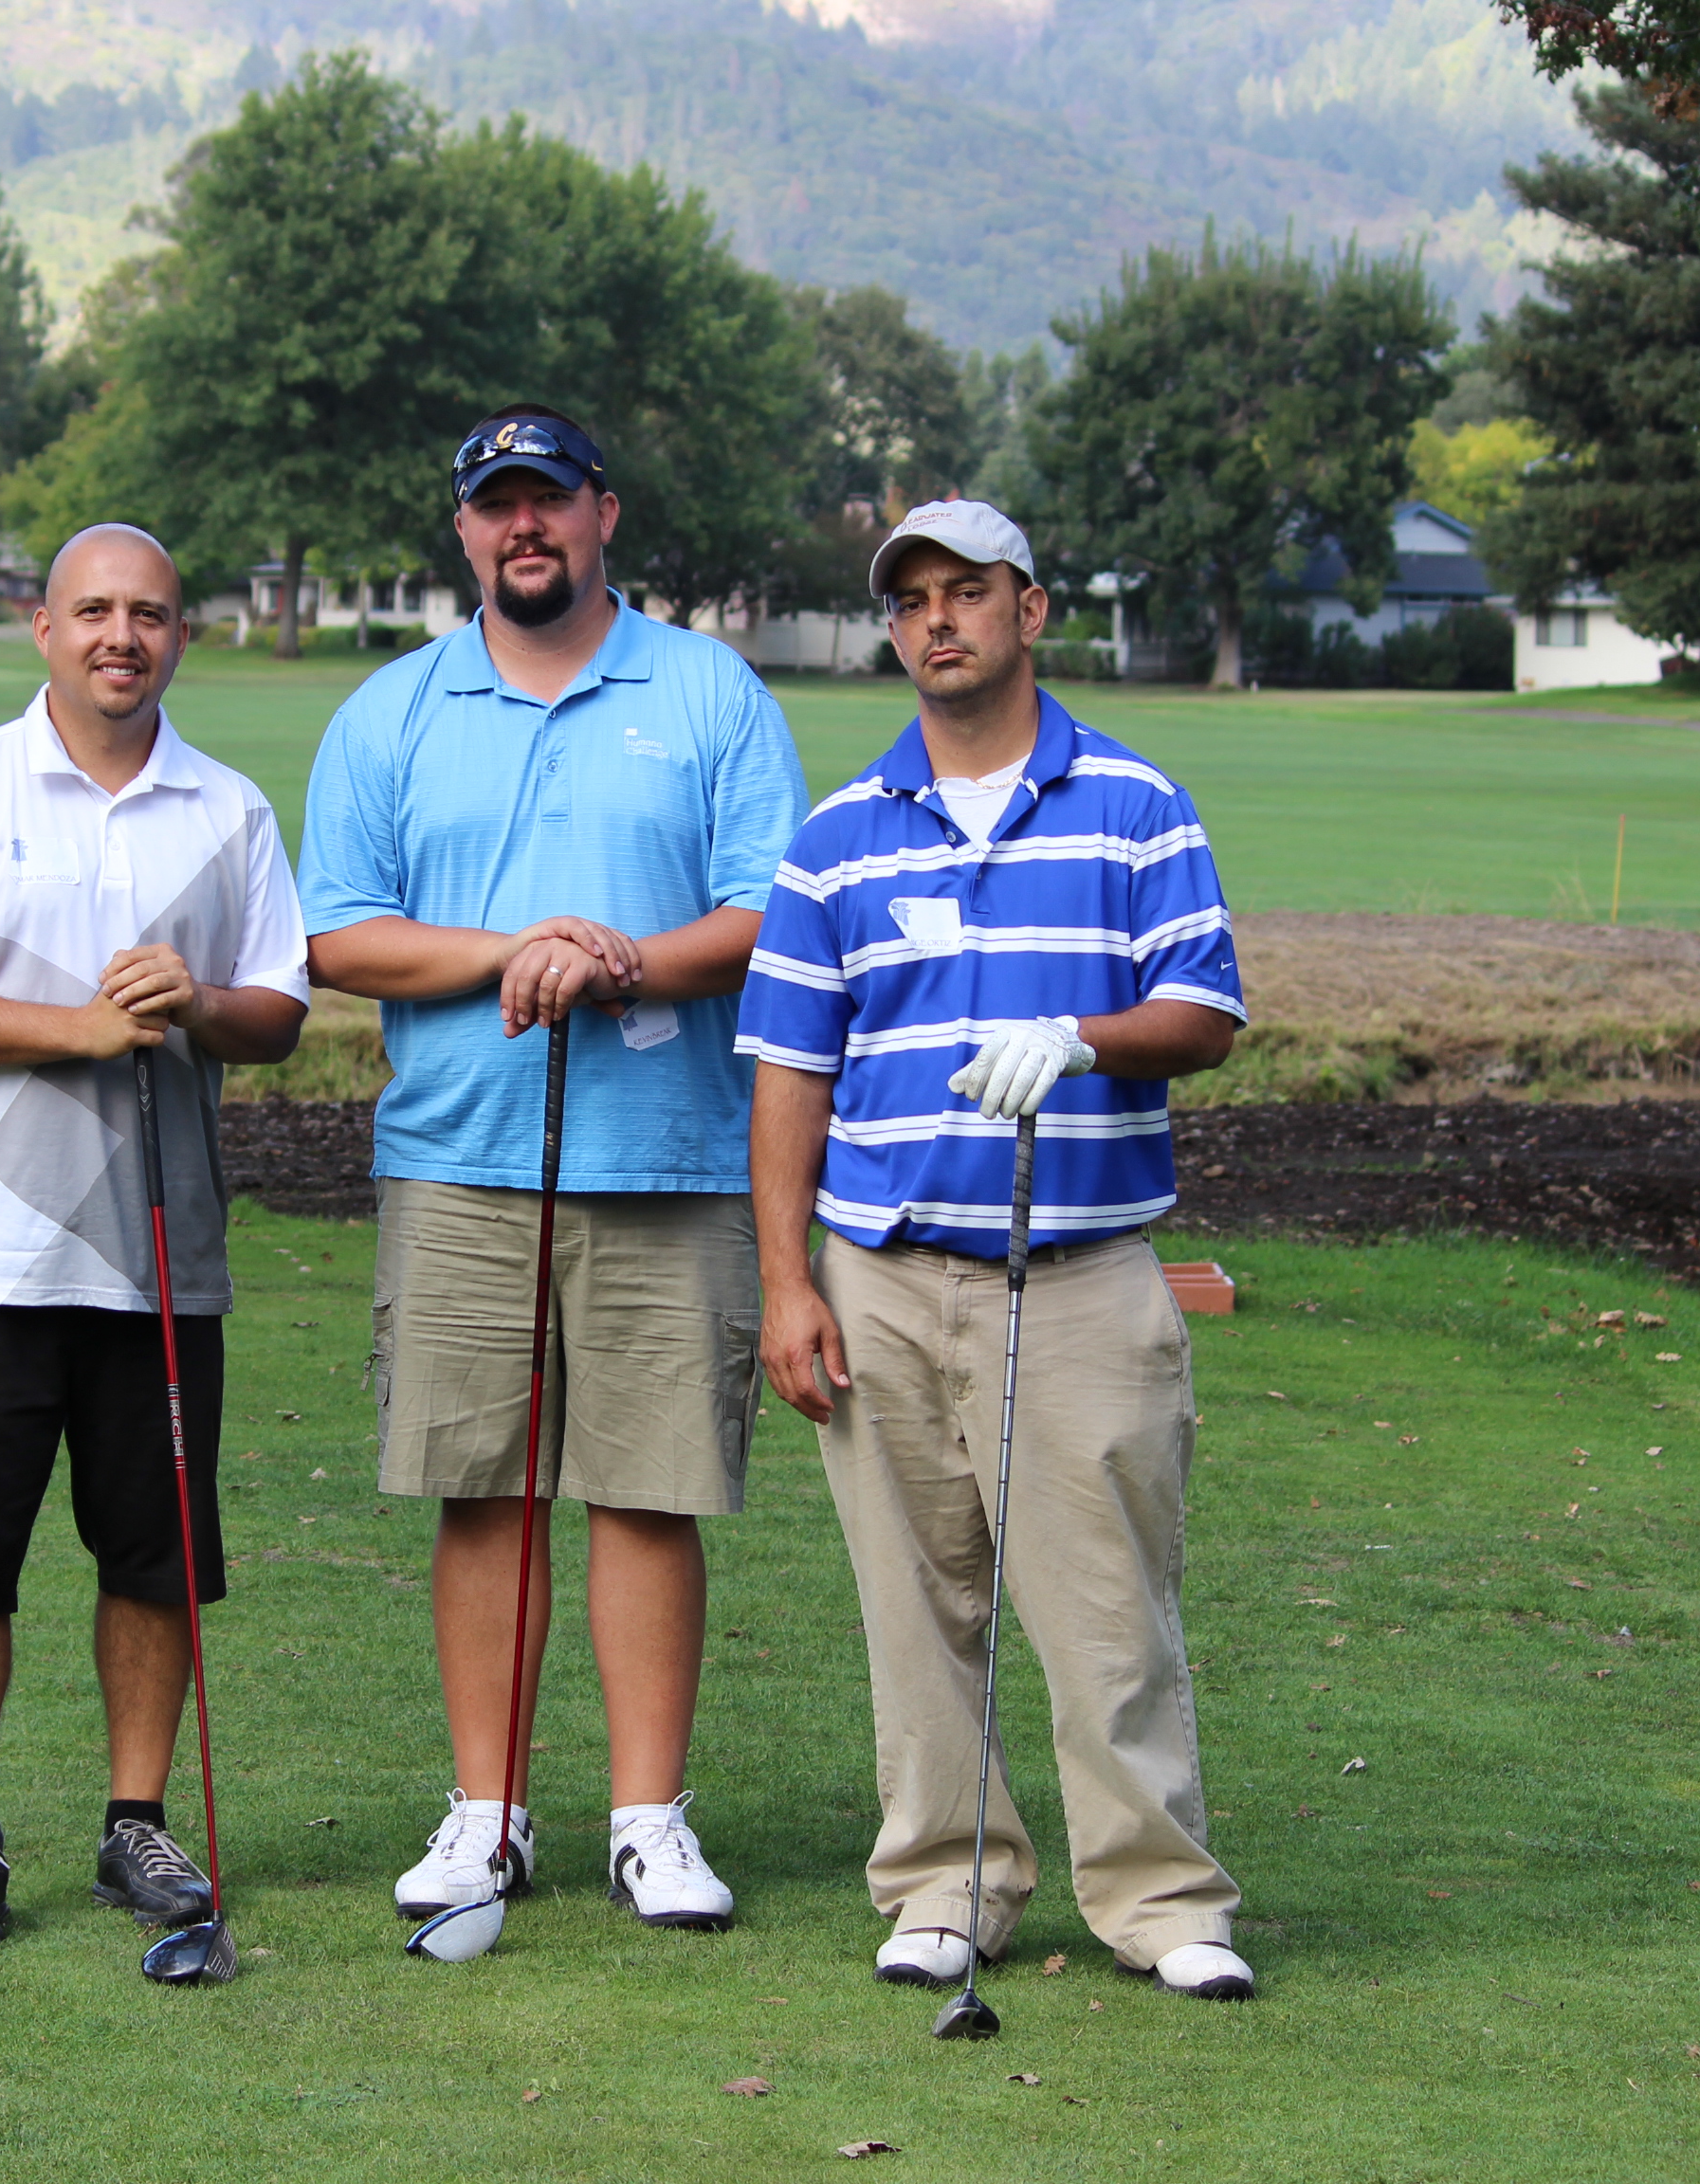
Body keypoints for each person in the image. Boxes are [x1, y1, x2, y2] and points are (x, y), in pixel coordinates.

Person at [738, 499, 1258, 2002]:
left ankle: (1161, 1901)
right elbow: (791, 1072)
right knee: (914, 1610)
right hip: (883, 1275)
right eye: (912, 601)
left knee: (1105, 1610)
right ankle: (942, 1887)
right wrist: (787, 1283)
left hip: (1081, 1272)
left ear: (1031, 611)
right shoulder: (839, 835)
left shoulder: (1135, 805)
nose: (937, 621)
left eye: (968, 592)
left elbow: (1206, 1012)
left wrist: (1084, 1038)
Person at [298, 406, 809, 1934]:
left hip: (670, 1156)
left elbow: (773, 915)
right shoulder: (393, 709)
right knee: (485, 1490)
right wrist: (519, 950)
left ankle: (649, 1820)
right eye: (497, 504)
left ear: (604, 515)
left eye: (551, 498)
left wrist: (620, 959)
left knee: (648, 1491)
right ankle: (489, 1813)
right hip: (462, 1156)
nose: (525, 525)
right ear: (466, 530)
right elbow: (337, 934)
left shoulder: (708, 691)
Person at [0, 523, 309, 1952]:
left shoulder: (227, 809)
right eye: (95, 610)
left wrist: (200, 1002)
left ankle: (135, 1825)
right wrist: (80, 1029)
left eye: (150, 614)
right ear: (43, 629)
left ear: (181, 637)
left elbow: (280, 1013)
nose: (123, 635)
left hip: (160, 1264)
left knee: (153, 1559)